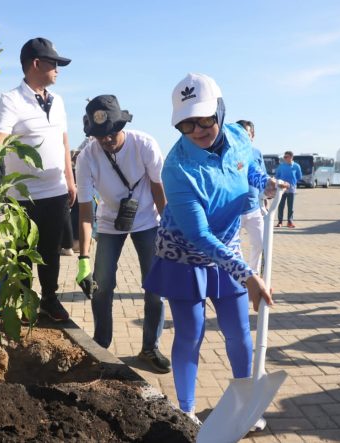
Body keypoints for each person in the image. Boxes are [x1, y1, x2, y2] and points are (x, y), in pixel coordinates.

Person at [143, 73, 284, 423]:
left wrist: (265, 183)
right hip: (184, 255)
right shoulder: (176, 169)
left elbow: (249, 168)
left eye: (205, 119)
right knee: (191, 333)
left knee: (238, 331)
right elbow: (199, 234)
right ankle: (187, 411)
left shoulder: (237, 136)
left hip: (228, 249)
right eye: (188, 124)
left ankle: (244, 405)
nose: (199, 129)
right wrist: (248, 273)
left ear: (220, 111)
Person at [74, 95, 170, 373]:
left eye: (111, 133)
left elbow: (158, 191)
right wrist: (83, 258)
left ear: (121, 124)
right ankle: (101, 344)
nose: (106, 140)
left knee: (155, 288)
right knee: (101, 286)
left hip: (147, 221)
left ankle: (150, 348)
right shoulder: (87, 157)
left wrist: (168, 232)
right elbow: (84, 210)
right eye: (99, 135)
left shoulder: (145, 145)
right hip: (108, 223)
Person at [0, 37, 76, 321]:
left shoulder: (59, 101)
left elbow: (64, 142)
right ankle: (24, 303)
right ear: (36, 64)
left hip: (56, 191)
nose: (58, 70)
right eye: (54, 64)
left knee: (50, 252)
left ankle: (49, 299)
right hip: (23, 196)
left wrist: (70, 180)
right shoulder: (10, 100)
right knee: (23, 252)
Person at [237, 120, 266, 274]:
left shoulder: (257, 153)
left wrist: (264, 200)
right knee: (233, 246)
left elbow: (263, 178)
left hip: (254, 208)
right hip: (234, 211)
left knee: (260, 243)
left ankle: (253, 274)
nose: (243, 137)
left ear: (252, 135)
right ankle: (241, 275)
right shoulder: (230, 154)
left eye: (246, 134)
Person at [275, 150, 302, 228]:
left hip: (292, 189)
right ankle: (280, 222)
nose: (284, 158)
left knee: (291, 207)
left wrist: (292, 183)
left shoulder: (296, 166)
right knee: (281, 206)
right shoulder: (281, 166)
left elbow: (299, 176)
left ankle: (290, 222)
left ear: (291, 157)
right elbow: (277, 176)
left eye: (286, 157)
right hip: (281, 190)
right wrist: (281, 184)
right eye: (284, 157)